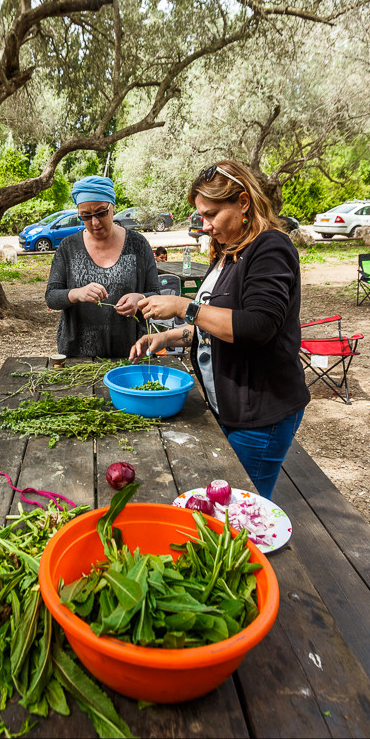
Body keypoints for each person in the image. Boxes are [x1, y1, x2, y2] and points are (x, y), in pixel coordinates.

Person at [129, 161, 309, 499]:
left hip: (259, 412)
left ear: (243, 202)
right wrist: (167, 336)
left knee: (241, 513)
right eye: (201, 216)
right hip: (228, 407)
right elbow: (214, 327)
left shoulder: (270, 248)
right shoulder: (229, 252)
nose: (206, 226)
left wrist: (185, 306)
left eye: (212, 214)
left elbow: (258, 327)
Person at [45, 175, 162, 358]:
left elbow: (156, 295)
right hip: (78, 357)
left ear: (113, 206)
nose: (95, 222)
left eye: (101, 212)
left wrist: (139, 299)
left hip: (130, 354)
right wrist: (76, 293)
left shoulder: (138, 245)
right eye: (85, 215)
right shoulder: (68, 247)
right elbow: (51, 297)